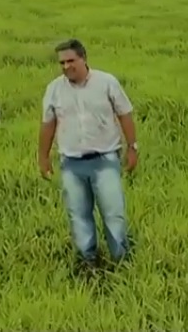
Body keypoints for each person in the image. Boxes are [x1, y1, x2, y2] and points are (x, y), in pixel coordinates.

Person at [37, 38, 138, 265]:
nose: (65, 67)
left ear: (83, 59)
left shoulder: (106, 82)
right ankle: (88, 262)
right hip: (71, 163)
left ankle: (121, 260)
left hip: (105, 159)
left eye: (70, 61)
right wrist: (42, 157)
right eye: (61, 63)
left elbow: (125, 114)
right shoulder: (54, 89)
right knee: (79, 215)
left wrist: (133, 147)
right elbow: (48, 124)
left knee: (113, 214)